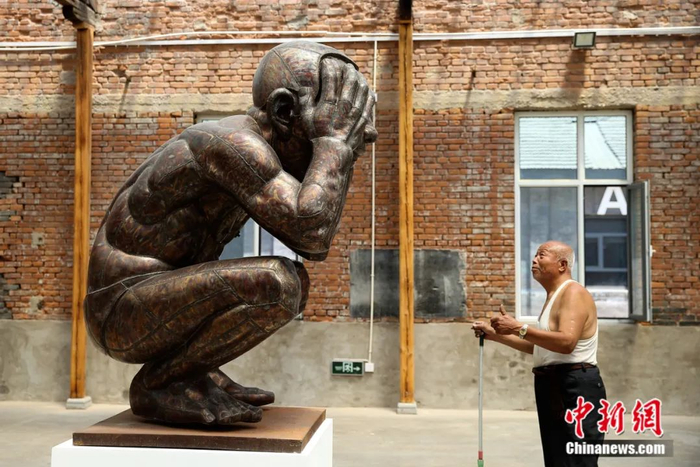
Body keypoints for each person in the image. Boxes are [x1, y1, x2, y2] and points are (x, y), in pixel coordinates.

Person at [84, 41, 377, 426]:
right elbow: (311, 232)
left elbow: (315, 236)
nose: (354, 132)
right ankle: (159, 384)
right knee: (278, 283)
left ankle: (192, 373)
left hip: (148, 300)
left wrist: (338, 144)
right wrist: (334, 144)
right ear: (283, 111)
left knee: (290, 282)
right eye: (338, 117)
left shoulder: (258, 150)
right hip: (119, 311)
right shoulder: (230, 145)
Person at [473, 241, 606, 467]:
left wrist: (518, 327)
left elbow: (567, 342)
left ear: (562, 265)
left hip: (574, 386)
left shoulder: (573, 292)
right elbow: (543, 348)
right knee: (557, 461)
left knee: (576, 461)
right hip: (553, 385)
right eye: (535, 255)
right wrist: (495, 335)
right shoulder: (554, 296)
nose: (534, 260)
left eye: (541, 255)